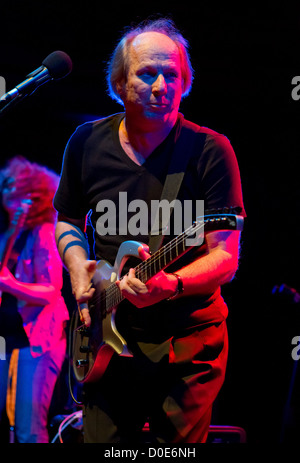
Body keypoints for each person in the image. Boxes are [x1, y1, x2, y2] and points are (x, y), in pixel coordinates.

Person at [54, 18, 245, 443]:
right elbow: (67, 218)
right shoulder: (86, 142)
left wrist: (172, 284)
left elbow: (226, 256)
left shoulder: (210, 151)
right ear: (120, 82)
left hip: (188, 342)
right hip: (105, 335)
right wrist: (76, 266)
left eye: (172, 74)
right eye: (147, 73)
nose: (162, 85)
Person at [0, 156, 69, 443]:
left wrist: (10, 284)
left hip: (39, 339)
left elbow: (51, 291)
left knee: (30, 429)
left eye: (13, 189)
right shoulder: (11, 233)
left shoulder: (43, 233)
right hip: (8, 340)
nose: (7, 195)